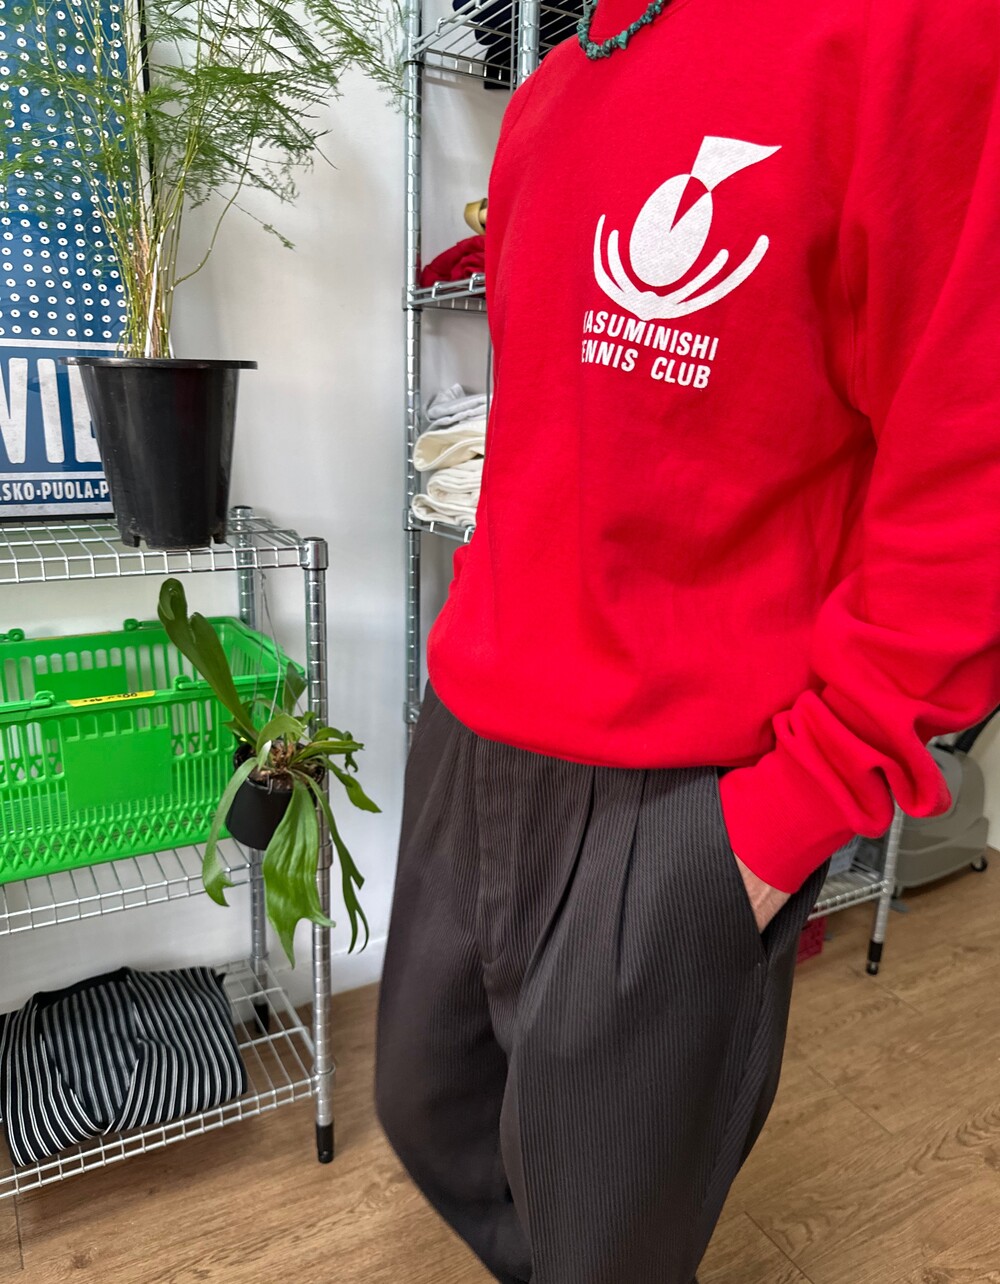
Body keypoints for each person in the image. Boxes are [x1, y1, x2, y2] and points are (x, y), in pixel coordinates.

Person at [375, 0, 1000, 1279]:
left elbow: (969, 482)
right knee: (427, 1110)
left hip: (679, 798)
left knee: (606, 1235)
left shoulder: (916, 34)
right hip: (473, 730)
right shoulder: (552, 93)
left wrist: (782, 819)